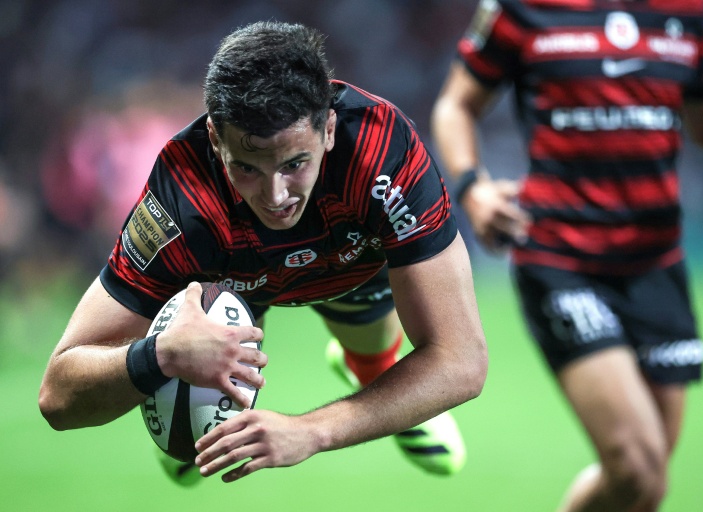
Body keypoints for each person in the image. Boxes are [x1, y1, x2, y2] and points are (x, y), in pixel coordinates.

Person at [39, 20, 488, 484]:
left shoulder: (381, 152)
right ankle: (202, 389)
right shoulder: (181, 202)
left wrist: (311, 431)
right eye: (247, 168)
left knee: (376, 349)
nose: (276, 196)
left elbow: (462, 362)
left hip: (349, 265)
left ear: (328, 129)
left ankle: (372, 368)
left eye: (295, 164)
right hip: (227, 278)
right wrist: (161, 355)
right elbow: (57, 396)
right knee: (191, 461)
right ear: (215, 139)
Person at [431, 1, 703, 510]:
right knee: (635, 463)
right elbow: (456, 104)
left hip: (657, 262)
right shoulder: (522, 9)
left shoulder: (696, 11)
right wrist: (472, 186)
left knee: (646, 484)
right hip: (561, 258)